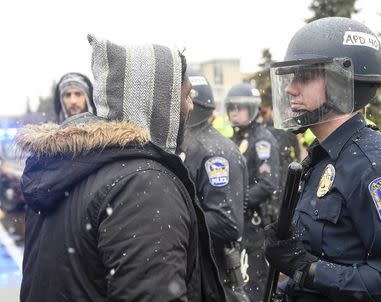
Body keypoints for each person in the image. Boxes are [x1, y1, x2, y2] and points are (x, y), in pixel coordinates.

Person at [16, 34, 225, 301]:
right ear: (159, 103)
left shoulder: (73, 165)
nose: (190, 105)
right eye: (186, 95)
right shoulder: (144, 184)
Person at [264, 17, 381, 301]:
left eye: (304, 77)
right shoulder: (324, 159)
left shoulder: (376, 168)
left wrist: (308, 269)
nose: (290, 88)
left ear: (340, 82)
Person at [181, 69, 249, 302]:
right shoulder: (190, 144)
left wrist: (175, 220)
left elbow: (227, 222)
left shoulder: (212, 152)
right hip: (198, 272)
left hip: (216, 277)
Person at [225, 82, 280, 302]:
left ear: (253, 109)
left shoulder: (262, 140)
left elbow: (267, 184)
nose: (234, 112)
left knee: (254, 280)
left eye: (240, 107)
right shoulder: (235, 138)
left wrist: (235, 202)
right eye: (231, 107)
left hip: (255, 223)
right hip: (236, 221)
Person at [259, 103, 301, 182]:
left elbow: (296, 148)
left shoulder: (263, 129)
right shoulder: (265, 129)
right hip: (280, 165)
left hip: (281, 165)